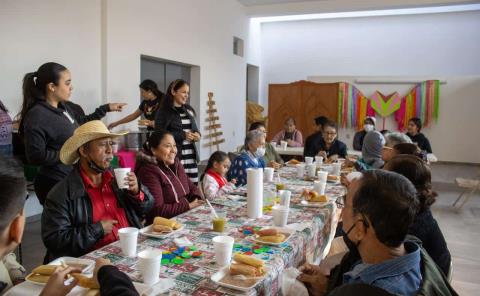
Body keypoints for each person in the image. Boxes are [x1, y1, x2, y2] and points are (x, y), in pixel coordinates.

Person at [298, 170, 458, 296]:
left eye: (345, 203)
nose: (341, 212)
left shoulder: (376, 291)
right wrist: (331, 285)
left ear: (360, 228)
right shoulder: (412, 250)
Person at [41, 121, 153, 262]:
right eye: (102, 144)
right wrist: (97, 230)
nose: (109, 150)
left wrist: (137, 192)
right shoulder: (62, 194)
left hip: (129, 251)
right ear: (84, 151)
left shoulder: (116, 179)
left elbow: (148, 207)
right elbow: (55, 240)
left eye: (110, 144)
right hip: (91, 263)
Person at [19, 62, 126, 205]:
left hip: (71, 177)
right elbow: (35, 156)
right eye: (67, 83)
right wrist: (71, 153)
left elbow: (82, 123)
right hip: (54, 182)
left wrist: (106, 108)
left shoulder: (64, 107)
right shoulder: (37, 115)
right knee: (64, 226)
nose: (71, 87)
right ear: (51, 87)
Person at [384, 154, 451, 276]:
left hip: (425, 282)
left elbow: (388, 262)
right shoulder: (416, 208)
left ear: (399, 184)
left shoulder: (412, 225)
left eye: (384, 176)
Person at [136, 130, 203, 222]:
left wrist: (196, 198)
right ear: (153, 150)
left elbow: (191, 186)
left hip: (184, 216)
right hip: (164, 225)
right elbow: (157, 211)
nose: (174, 150)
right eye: (168, 146)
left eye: (174, 146)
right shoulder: (149, 171)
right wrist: (188, 205)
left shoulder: (176, 164)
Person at [155, 79, 200, 184]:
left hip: (191, 156)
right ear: (173, 92)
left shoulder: (189, 110)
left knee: (193, 186)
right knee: (180, 186)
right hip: (175, 156)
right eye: (184, 92)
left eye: (187, 93)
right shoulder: (163, 111)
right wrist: (182, 135)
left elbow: (195, 130)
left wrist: (197, 135)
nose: (186, 95)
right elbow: (158, 134)